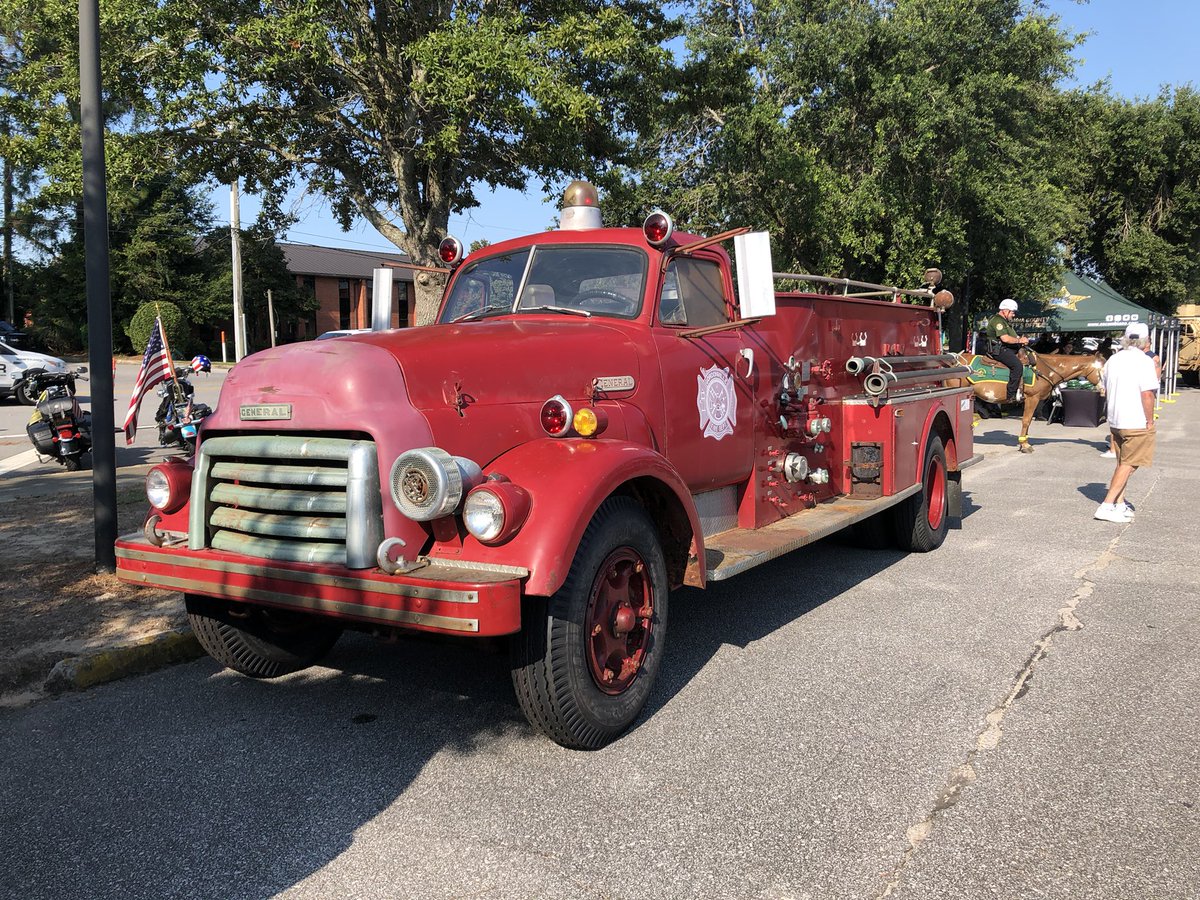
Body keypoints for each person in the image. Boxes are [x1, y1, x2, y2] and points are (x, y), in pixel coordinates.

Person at [1094, 322, 1159, 523]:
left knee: (1123, 462)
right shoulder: (1144, 361)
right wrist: (1150, 420)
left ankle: (1119, 504)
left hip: (1115, 419)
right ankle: (1106, 505)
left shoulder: (1113, 359)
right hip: (1135, 419)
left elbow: (1104, 386)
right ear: (1146, 341)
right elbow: (1147, 393)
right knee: (1130, 464)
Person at [986, 298, 1029, 402]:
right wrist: (1019, 340)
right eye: (1012, 312)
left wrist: (1021, 340)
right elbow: (1005, 338)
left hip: (1006, 348)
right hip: (999, 350)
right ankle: (1011, 395)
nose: (1013, 315)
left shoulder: (1005, 322)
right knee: (1017, 366)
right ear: (1005, 311)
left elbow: (1013, 336)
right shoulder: (998, 321)